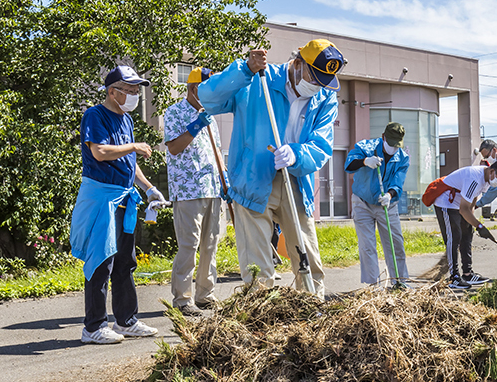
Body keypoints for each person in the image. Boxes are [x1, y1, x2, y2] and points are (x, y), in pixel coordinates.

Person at [199, 40, 345, 299]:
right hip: (253, 178)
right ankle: (262, 321)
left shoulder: (325, 96)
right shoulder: (258, 81)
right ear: (298, 64)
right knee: (258, 266)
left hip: (296, 179)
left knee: (307, 257)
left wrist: (297, 153)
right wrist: (244, 70)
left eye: (326, 80)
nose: (319, 86)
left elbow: (322, 146)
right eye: (316, 77)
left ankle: (313, 311)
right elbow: (208, 97)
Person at [70, 66, 167, 344]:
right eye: (130, 90)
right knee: (101, 260)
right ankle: (94, 327)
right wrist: (134, 146)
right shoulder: (95, 115)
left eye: (137, 90)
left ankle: (126, 321)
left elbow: (129, 165)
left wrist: (150, 189)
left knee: (125, 261)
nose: (136, 95)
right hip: (101, 197)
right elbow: (99, 152)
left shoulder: (126, 120)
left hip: (124, 196)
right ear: (112, 92)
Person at [163, 67, 224, 317]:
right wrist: (195, 126)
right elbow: (174, 148)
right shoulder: (175, 112)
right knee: (188, 245)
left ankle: (205, 295)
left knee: (211, 244)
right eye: (209, 89)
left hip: (213, 188)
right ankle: (182, 298)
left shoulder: (210, 114)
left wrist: (225, 181)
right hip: (187, 190)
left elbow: (216, 151)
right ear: (195, 88)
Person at [346, 122, 410, 287]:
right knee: (367, 245)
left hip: (387, 205)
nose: (394, 148)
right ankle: (373, 286)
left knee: (396, 243)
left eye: (397, 145)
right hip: (363, 203)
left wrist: (389, 195)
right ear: (383, 137)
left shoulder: (402, 158)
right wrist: (365, 161)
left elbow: (398, 182)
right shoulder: (366, 147)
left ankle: (399, 282)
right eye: (391, 144)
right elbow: (349, 165)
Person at [431, 161, 497, 289]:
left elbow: (473, 198)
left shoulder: (487, 179)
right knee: (454, 236)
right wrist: (479, 226)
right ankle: (454, 278)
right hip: (446, 203)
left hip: (460, 204)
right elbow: (463, 209)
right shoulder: (474, 178)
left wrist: (471, 221)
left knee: (467, 234)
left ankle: (467, 274)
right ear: (492, 171)